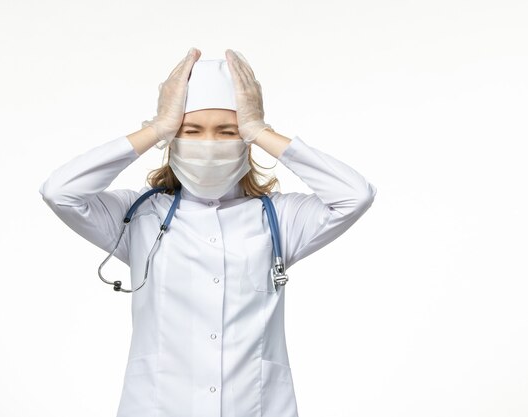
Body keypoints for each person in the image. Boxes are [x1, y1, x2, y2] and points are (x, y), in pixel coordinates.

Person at [38, 47, 377, 417]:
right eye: (191, 131)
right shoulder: (138, 216)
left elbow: (354, 195)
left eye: (228, 131)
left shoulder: (279, 217)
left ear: (246, 141)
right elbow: (60, 192)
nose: (210, 145)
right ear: (173, 140)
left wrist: (261, 130)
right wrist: (156, 129)